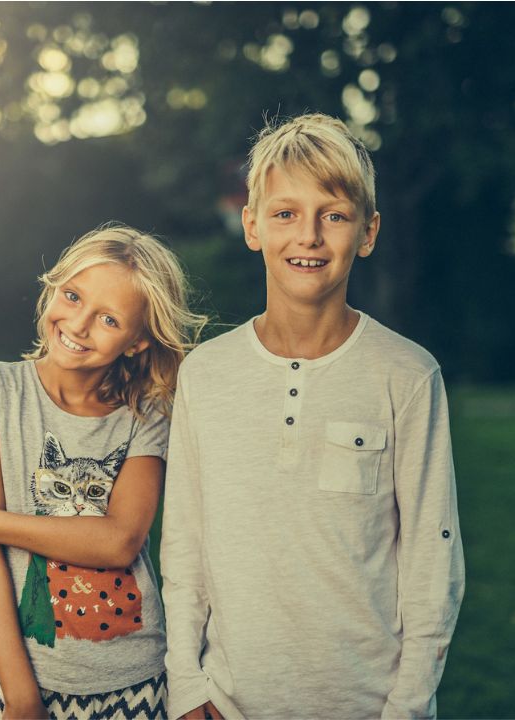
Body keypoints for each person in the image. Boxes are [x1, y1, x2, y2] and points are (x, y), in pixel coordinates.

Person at [160, 114, 466, 720]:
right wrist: (186, 686)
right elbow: (184, 545)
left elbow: (434, 561)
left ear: (368, 232)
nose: (309, 236)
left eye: (333, 214)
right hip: (227, 703)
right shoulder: (207, 374)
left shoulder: (407, 374)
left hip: (367, 705)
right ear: (252, 225)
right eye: (284, 214)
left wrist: (406, 707)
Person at [0, 224, 207, 720]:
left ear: (137, 340)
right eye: (73, 296)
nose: (78, 325)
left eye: (107, 318)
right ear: (53, 289)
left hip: (137, 680)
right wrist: (20, 697)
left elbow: (119, 541)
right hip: (25, 685)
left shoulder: (146, 415)